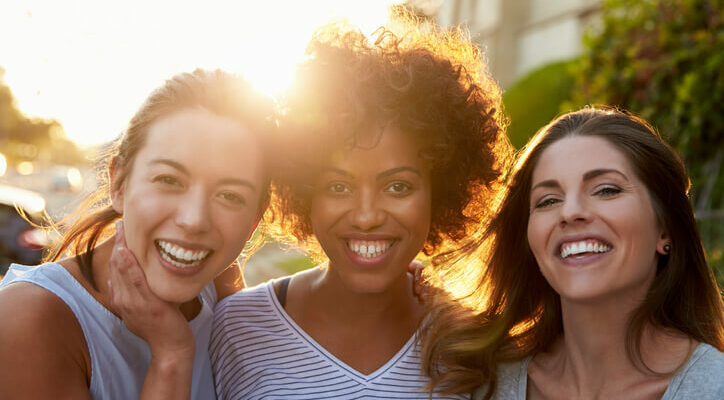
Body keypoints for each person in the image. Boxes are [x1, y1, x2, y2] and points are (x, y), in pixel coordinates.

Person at [210, 16, 513, 400]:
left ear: (440, 192)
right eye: (339, 186)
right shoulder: (236, 328)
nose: (367, 216)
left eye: (398, 186)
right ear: (305, 192)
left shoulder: (472, 342)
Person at [0, 69, 274, 399]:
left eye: (230, 196)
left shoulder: (219, 282)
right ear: (118, 183)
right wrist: (171, 356)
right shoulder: (29, 318)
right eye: (169, 180)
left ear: (254, 223)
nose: (194, 220)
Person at [420, 107, 724, 399]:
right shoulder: (480, 382)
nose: (571, 211)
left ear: (665, 230)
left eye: (607, 190)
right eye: (548, 200)